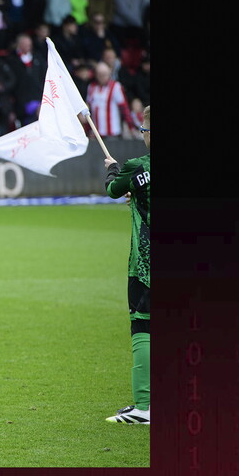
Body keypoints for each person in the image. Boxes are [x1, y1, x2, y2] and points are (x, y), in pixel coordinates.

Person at [103, 104, 150, 425]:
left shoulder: (137, 166)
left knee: (143, 325)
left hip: (147, 262)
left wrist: (112, 168)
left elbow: (112, 190)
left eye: (145, 130)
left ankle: (144, 407)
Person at [87, 61, 133, 139]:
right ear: (96, 75)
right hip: (95, 133)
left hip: (112, 132)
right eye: (99, 74)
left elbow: (124, 107)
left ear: (109, 73)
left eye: (104, 74)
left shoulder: (115, 86)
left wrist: (130, 125)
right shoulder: (91, 87)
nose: (102, 77)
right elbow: (88, 108)